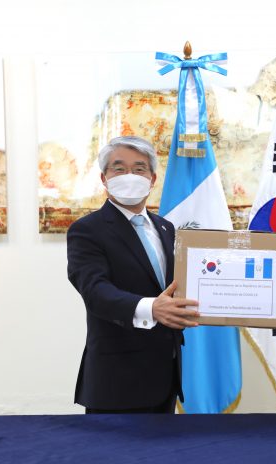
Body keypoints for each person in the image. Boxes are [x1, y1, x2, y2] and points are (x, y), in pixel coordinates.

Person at [67, 136, 199, 414]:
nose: (130, 176)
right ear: (104, 178)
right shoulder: (87, 230)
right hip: (116, 381)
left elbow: (178, 286)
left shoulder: (167, 228)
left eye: (139, 169)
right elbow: (95, 291)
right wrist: (151, 308)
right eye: (119, 168)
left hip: (166, 375)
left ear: (152, 179)